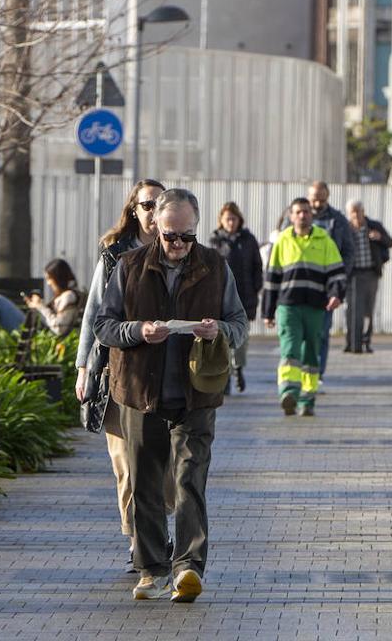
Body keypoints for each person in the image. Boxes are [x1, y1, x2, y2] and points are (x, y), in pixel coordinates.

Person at [94, 188, 248, 604]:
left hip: (197, 393)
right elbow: (104, 326)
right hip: (140, 390)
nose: (178, 245)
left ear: (196, 230)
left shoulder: (216, 267)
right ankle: (150, 570)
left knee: (189, 480)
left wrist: (219, 331)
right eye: (170, 236)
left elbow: (239, 322)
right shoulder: (128, 266)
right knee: (144, 483)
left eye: (187, 236)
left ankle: (188, 568)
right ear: (156, 229)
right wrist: (138, 331)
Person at [75, 178, 165, 569]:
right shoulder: (114, 254)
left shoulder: (177, 249)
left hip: (163, 374)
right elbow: (93, 312)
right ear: (133, 209)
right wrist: (82, 368)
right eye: (146, 205)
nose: (151, 213)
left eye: (158, 205)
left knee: (161, 463)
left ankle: (156, 530)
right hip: (116, 371)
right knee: (125, 464)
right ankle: (137, 539)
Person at [263, 197, 345, 417]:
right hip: (288, 306)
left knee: (311, 353)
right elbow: (272, 276)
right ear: (291, 216)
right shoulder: (282, 240)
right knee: (290, 348)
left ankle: (307, 400)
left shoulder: (324, 239)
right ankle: (288, 392)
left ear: (312, 215)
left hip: (315, 306)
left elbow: (337, 273)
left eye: (306, 212)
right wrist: (268, 311)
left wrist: (337, 295)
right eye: (298, 212)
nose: (302, 215)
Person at [209, 201, 263, 391]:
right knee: (222, 339)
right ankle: (225, 376)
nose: (231, 222)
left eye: (234, 218)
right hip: (221, 298)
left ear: (239, 220)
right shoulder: (215, 241)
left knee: (241, 340)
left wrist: (256, 288)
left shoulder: (248, 240)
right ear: (221, 221)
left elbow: (257, 266)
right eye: (227, 219)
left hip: (245, 298)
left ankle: (238, 368)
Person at [304, 181, 351, 382]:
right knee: (299, 332)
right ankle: (300, 371)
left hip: (326, 287)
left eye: (321, 199)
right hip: (300, 284)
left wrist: (339, 279)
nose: (317, 203)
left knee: (321, 332)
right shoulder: (296, 215)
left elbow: (349, 252)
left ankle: (317, 372)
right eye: (314, 198)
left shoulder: (338, 220)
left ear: (328, 197)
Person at [0, 259, 82, 336]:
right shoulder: (66, 296)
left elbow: (58, 328)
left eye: (50, 279)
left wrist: (40, 306)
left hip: (36, 336)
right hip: (35, 331)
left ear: (58, 278)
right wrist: (36, 306)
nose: (48, 283)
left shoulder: (68, 296)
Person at [343, 200, 392, 354]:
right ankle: (351, 342)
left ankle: (366, 341)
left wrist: (379, 237)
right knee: (352, 310)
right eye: (353, 211)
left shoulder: (374, 225)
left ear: (363, 211)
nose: (356, 214)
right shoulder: (345, 229)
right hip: (352, 274)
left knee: (367, 310)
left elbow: (390, 242)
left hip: (371, 273)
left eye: (358, 211)